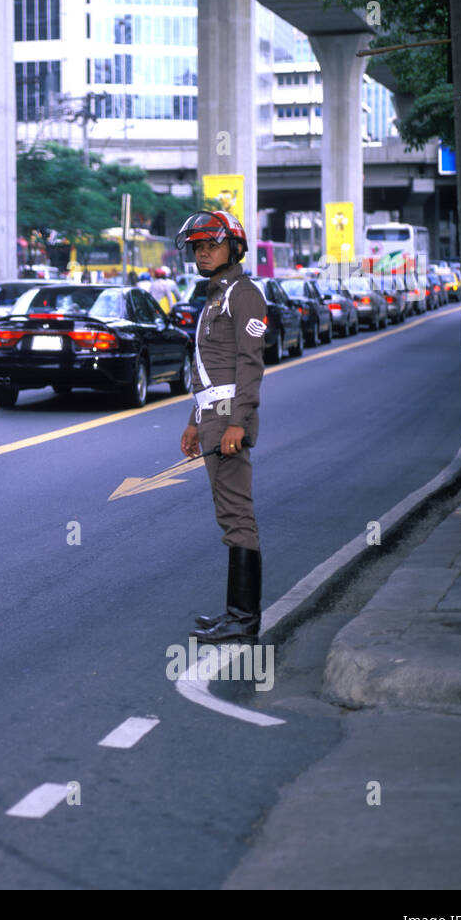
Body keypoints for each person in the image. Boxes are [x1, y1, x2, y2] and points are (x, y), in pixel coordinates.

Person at [175, 210, 268, 642]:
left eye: (211, 244)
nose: (203, 253)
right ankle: (235, 614)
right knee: (227, 512)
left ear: (234, 247)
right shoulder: (216, 296)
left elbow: (250, 364)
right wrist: (194, 421)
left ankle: (243, 620)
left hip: (229, 418)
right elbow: (209, 369)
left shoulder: (242, 294)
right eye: (197, 247)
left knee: (237, 514)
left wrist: (237, 423)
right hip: (213, 417)